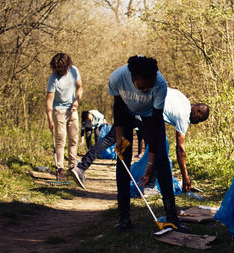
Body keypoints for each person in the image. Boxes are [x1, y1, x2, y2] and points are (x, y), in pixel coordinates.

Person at [75, 55, 188, 232]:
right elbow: (118, 111)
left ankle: (172, 217)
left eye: (150, 86)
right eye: (143, 87)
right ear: (133, 78)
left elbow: (157, 121)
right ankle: (124, 218)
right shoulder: (117, 78)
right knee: (123, 160)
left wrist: (150, 162)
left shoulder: (160, 84)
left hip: (151, 115)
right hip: (126, 117)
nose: (147, 90)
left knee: (161, 159)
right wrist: (120, 141)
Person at [71, 87, 209, 193]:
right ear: (197, 111)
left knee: (109, 139)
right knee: (161, 145)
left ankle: (81, 167)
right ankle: (149, 187)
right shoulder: (184, 116)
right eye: (199, 120)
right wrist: (186, 177)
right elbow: (180, 149)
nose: (196, 123)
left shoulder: (182, 98)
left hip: (131, 103)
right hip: (143, 113)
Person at [46, 52, 83, 180]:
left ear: (67, 65)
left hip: (72, 110)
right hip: (58, 111)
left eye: (62, 68)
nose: (60, 71)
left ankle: (73, 167)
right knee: (60, 140)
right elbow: (49, 99)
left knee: (74, 139)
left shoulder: (74, 71)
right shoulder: (53, 78)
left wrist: (77, 101)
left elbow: (80, 87)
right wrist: (50, 119)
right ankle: (60, 169)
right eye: (57, 68)